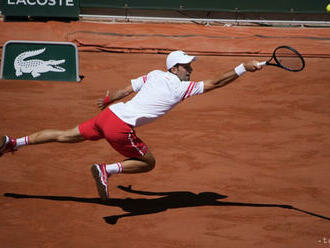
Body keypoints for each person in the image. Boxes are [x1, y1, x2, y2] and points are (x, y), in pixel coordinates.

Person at [0, 51, 262, 200]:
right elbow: (216, 83)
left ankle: (14, 142)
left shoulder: (155, 74)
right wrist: (242, 68)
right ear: (176, 68)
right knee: (148, 163)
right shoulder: (181, 88)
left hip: (110, 115)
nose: (191, 70)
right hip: (121, 127)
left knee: (66, 135)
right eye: (188, 66)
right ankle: (106, 170)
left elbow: (125, 90)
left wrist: (107, 100)